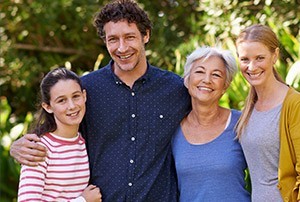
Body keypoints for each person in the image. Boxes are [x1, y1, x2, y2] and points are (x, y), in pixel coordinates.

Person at [10, 0, 191, 201]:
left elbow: (208, 120)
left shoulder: (175, 89)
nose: (122, 48)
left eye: (129, 37)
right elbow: (54, 129)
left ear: (146, 35)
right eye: (113, 39)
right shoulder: (85, 89)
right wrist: (17, 147)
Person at [235, 24, 300, 202]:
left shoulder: (298, 105)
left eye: (260, 58)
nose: (252, 67)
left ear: (274, 55)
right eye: (245, 59)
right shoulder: (248, 110)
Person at [172, 46, 250, 201]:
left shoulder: (241, 123)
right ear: (187, 80)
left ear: (225, 86)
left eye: (216, 75)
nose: (207, 80)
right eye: (200, 72)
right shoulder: (172, 130)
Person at [17, 67, 101, 202]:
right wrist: (83, 200)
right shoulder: (40, 149)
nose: (72, 106)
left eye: (76, 96)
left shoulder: (83, 142)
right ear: (48, 107)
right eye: (62, 100)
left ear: (84, 96)